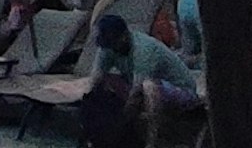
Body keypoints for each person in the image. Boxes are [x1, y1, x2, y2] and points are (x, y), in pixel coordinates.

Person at [84, 12, 198, 148]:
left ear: (124, 36)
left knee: (148, 87)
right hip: (139, 87)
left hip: (180, 92)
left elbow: (137, 91)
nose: (111, 48)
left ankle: (152, 141)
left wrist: (119, 123)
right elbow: (95, 78)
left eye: (113, 43)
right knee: (105, 82)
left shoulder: (144, 50)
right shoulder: (107, 48)